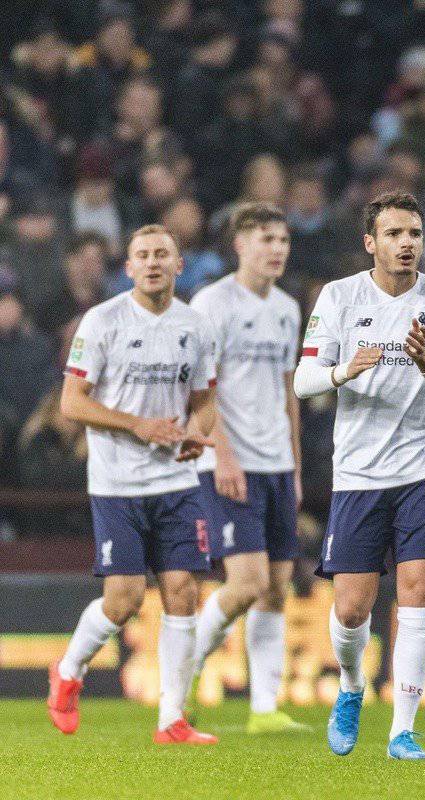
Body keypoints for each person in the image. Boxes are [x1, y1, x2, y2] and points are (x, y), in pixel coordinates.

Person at [293, 191, 425, 761]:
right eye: (394, 234)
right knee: (351, 610)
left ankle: (404, 729)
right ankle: (350, 685)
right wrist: (346, 370)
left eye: (414, 233)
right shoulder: (340, 297)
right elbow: (303, 382)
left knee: (417, 592)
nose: (407, 244)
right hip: (360, 474)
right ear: (371, 242)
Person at [48, 225, 218, 744]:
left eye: (161, 254)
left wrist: (196, 433)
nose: (152, 263)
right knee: (123, 600)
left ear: (178, 264)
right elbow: (71, 402)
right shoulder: (103, 321)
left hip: (177, 480)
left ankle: (171, 719)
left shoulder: (196, 325)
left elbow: (206, 400)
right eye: (142, 255)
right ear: (128, 268)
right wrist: (137, 424)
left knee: (183, 592)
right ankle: (69, 670)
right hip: (118, 482)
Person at [188, 203, 306, 734]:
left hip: (277, 464)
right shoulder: (212, 304)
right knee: (246, 584)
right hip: (228, 463)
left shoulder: (287, 308)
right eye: (265, 239)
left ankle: (264, 710)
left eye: (282, 239)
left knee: (277, 590)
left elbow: (289, 391)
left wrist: (296, 468)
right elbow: (201, 391)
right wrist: (224, 456)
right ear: (239, 245)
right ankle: (182, 672)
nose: (276, 248)